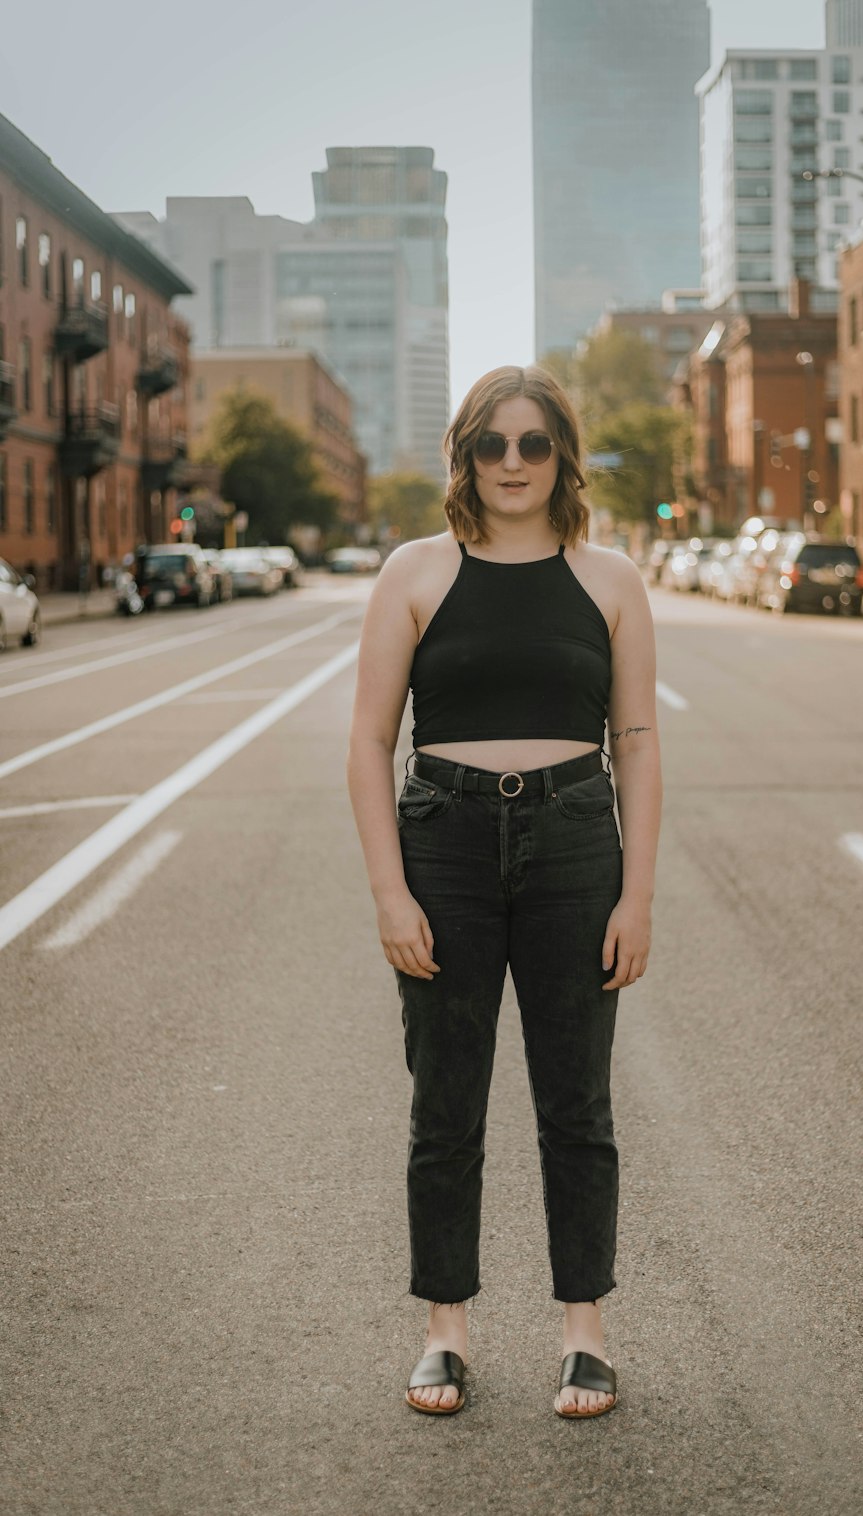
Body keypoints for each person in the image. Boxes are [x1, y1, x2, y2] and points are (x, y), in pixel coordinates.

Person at [346, 365, 661, 1419]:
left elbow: (639, 744)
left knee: (577, 1102)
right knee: (446, 1103)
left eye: (533, 444)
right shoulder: (416, 571)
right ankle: (445, 1330)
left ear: (563, 453)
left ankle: (586, 1335)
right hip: (445, 839)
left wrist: (638, 895)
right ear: (465, 455)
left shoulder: (610, 577)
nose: (514, 464)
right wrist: (391, 891)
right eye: (493, 445)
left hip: (576, 839)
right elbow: (366, 740)